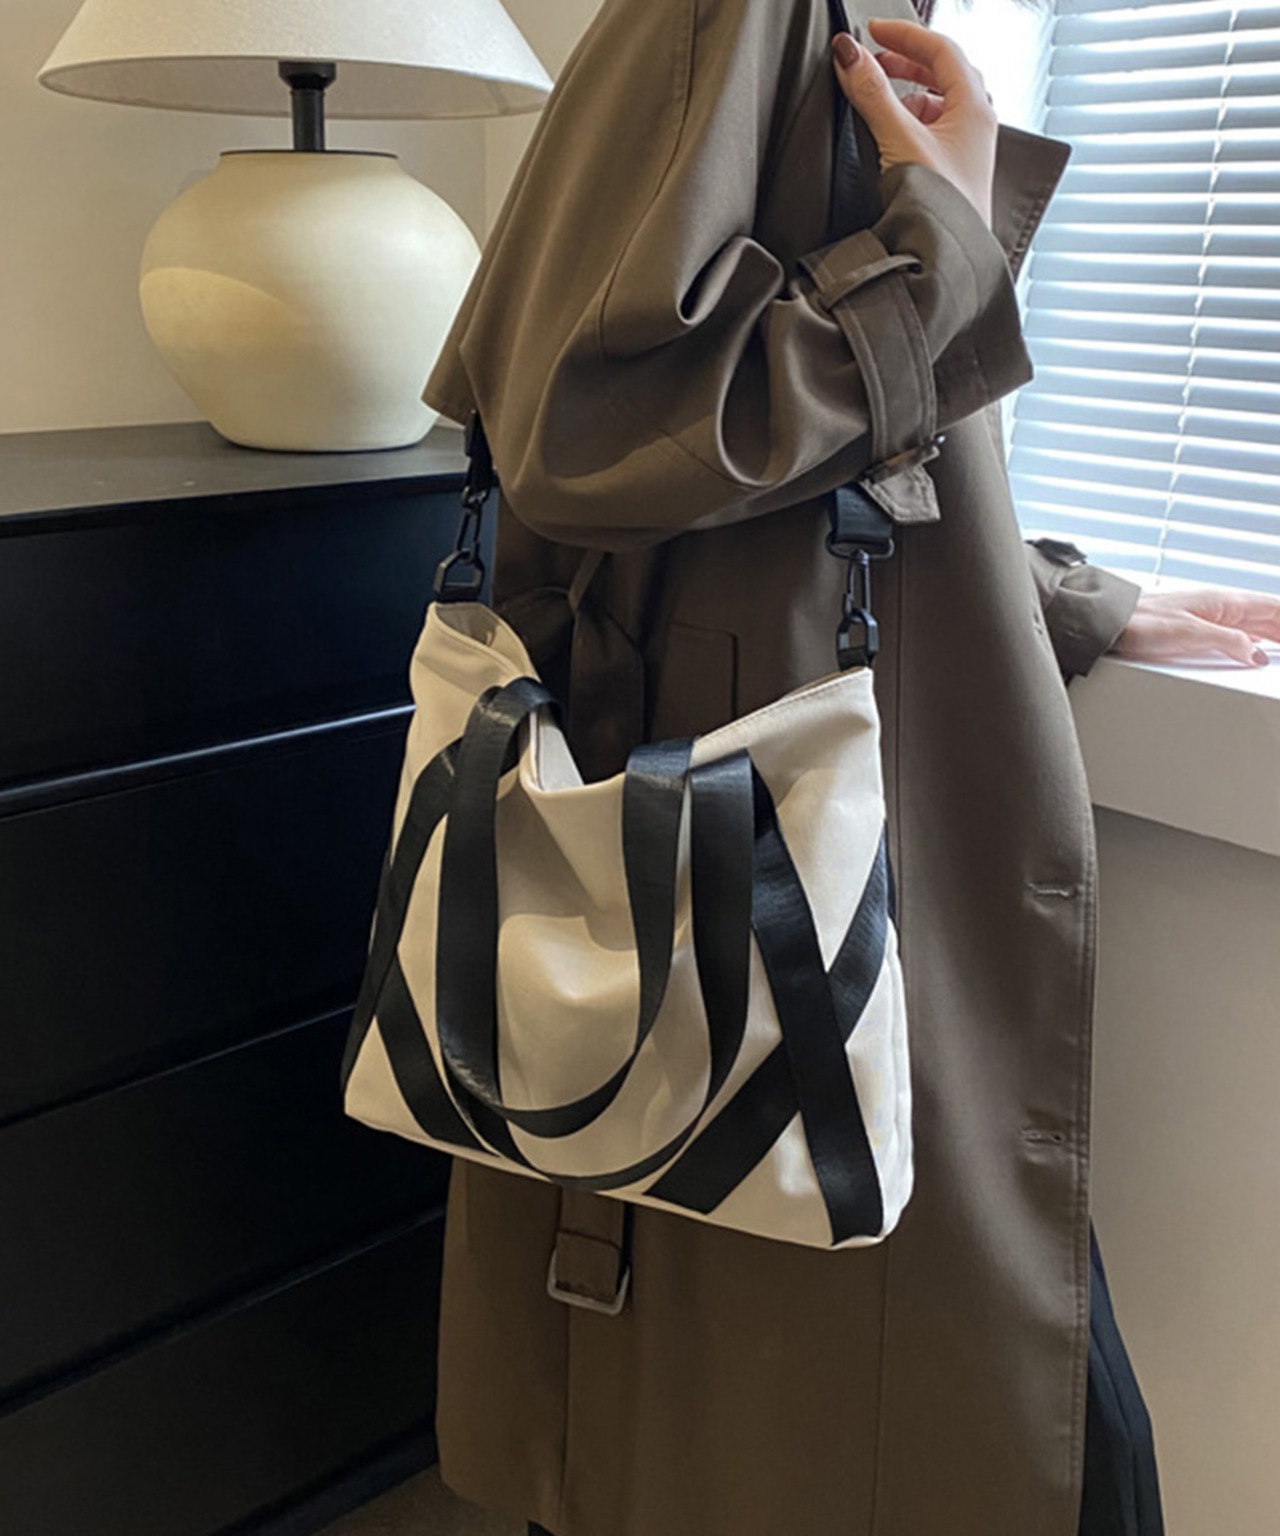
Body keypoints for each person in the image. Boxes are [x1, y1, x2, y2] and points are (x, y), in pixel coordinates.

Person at [420, 2, 1280, 1533]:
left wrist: (1066, 591)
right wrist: (940, 234)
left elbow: (842, 470)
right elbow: (581, 422)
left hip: (815, 818)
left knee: (928, 1388)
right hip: (780, 841)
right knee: (980, 1409)